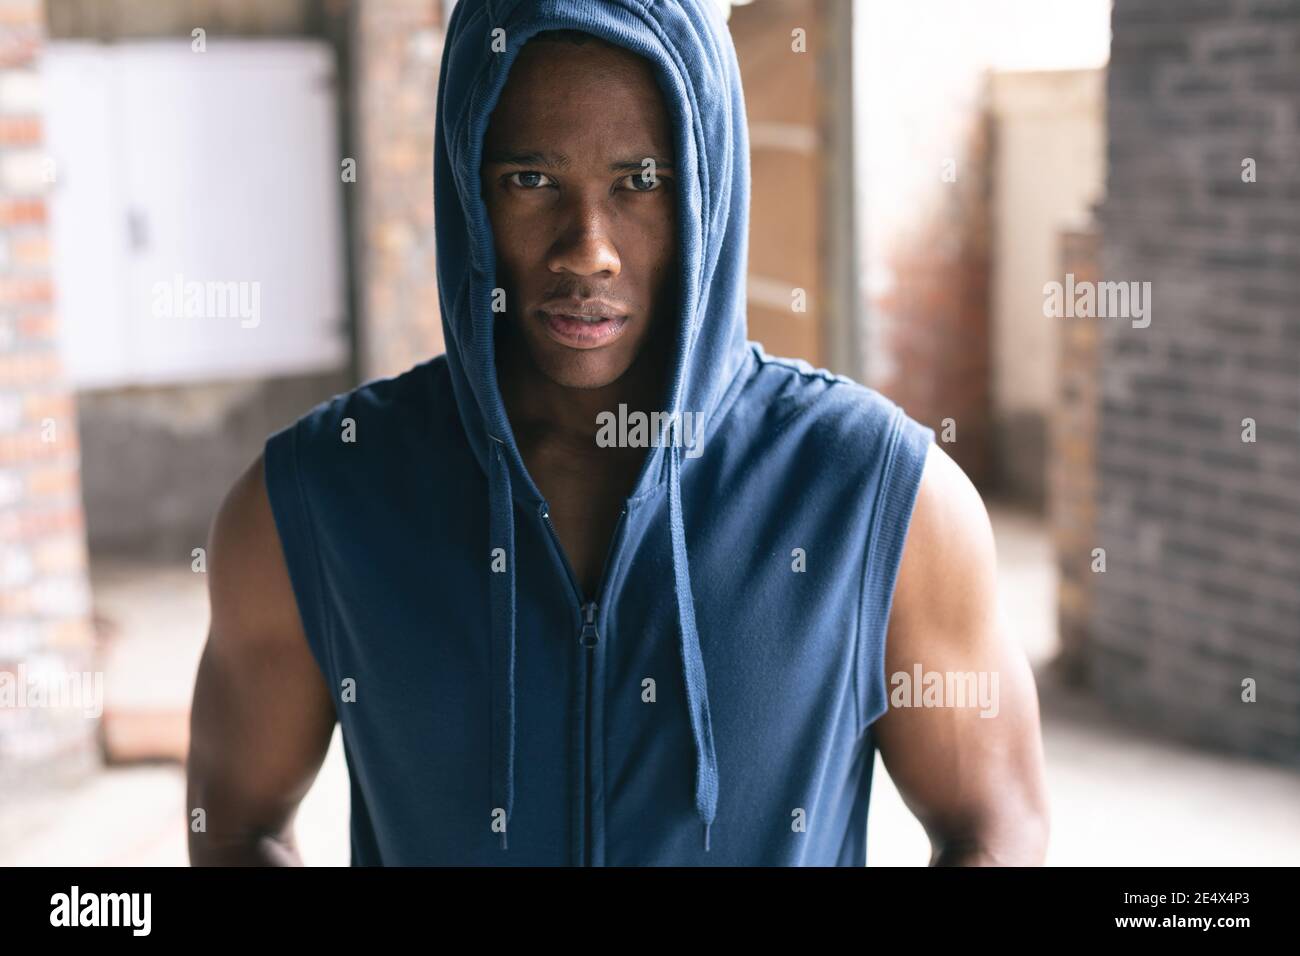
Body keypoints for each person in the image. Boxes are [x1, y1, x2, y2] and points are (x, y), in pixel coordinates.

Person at [187, 0, 1048, 866]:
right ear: (466, 185)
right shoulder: (316, 498)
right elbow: (234, 827)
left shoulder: (876, 495)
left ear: (707, 190)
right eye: (530, 179)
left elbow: (995, 825)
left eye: (643, 182)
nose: (587, 250)